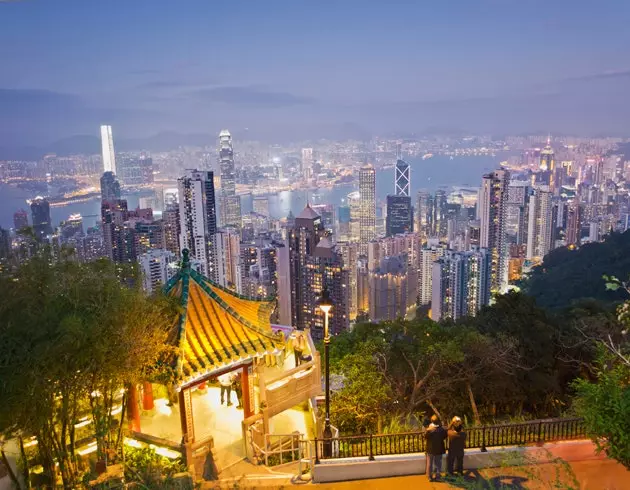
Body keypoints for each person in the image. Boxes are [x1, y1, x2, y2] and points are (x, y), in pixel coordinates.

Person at [424, 415, 447, 481]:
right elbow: (445, 436)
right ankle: (438, 476)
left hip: (430, 449)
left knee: (429, 464)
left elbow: (425, 437)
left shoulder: (429, 429)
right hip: (439, 449)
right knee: (438, 464)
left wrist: (427, 429)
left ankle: (429, 477)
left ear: (431, 421)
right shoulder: (441, 429)